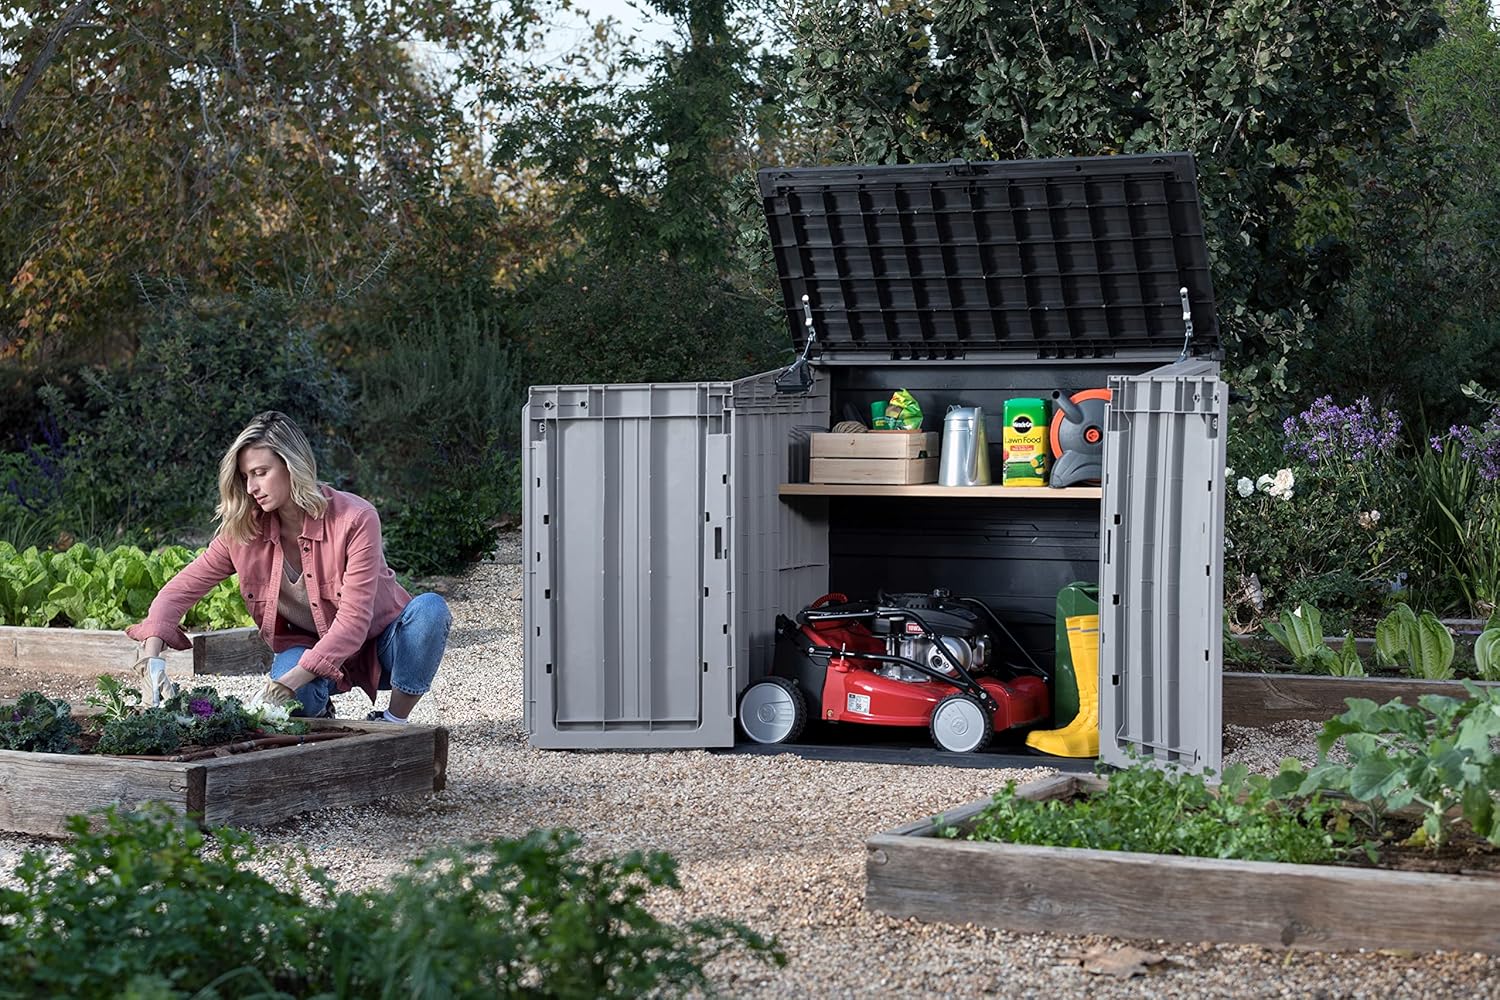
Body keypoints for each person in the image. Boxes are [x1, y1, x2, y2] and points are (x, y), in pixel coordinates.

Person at [126, 410, 451, 722]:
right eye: (245, 476)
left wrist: (284, 684)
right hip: (308, 648)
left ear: (292, 465)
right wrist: (151, 658)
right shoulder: (244, 532)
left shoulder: (355, 519)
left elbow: (354, 622)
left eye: (260, 473)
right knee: (294, 704)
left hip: (382, 645)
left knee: (430, 610)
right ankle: (318, 711)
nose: (251, 488)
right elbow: (179, 591)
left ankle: (393, 720)